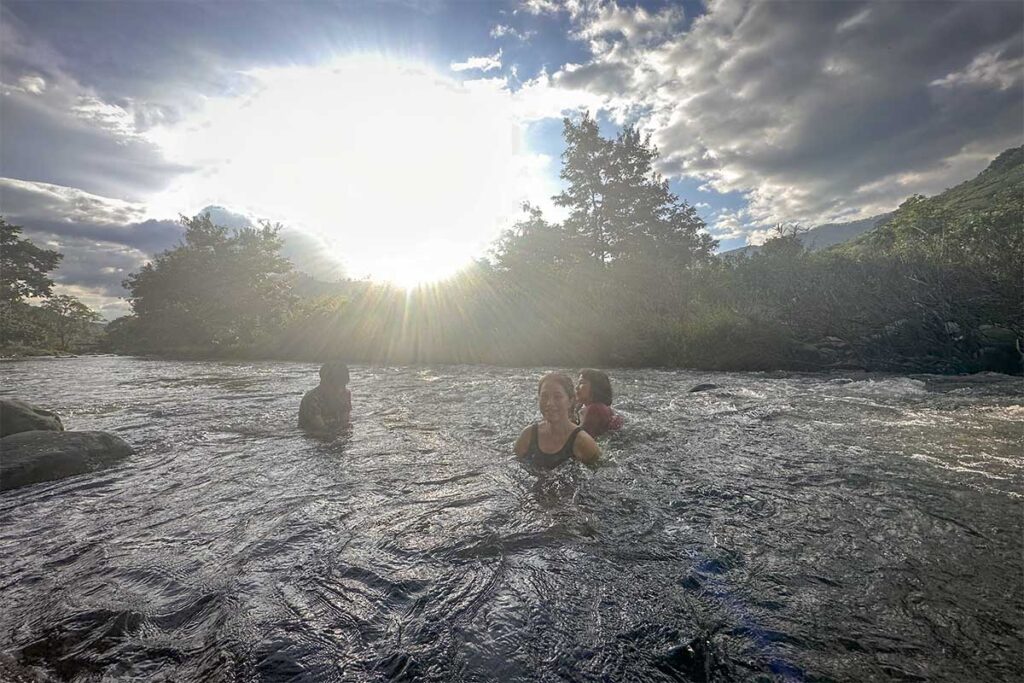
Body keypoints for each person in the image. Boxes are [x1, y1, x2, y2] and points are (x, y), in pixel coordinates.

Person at [514, 372, 601, 470]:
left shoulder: (583, 442)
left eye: (557, 397)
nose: (549, 403)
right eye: (544, 396)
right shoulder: (528, 435)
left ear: (571, 401)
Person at [299, 362, 351, 433]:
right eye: (336, 386)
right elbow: (321, 428)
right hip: (313, 435)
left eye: (343, 385)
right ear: (324, 382)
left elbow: (345, 422)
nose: (340, 390)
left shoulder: (345, 393)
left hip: (332, 430)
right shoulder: (312, 399)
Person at [575, 368, 623, 438]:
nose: (576, 387)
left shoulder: (594, 409)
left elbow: (580, 439)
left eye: (582, 383)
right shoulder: (585, 406)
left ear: (595, 388)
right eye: (577, 383)